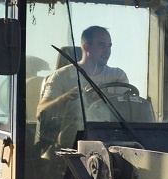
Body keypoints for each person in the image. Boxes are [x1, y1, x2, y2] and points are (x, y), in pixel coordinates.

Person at [34, 26, 129, 154]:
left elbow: (127, 110)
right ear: (86, 46)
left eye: (109, 46)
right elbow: (41, 112)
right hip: (71, 148)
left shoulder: (118, 76)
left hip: (113, 145)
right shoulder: (62, 76)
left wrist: (102, 96)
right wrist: (65, 98)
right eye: (102, 45)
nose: (107, 51)